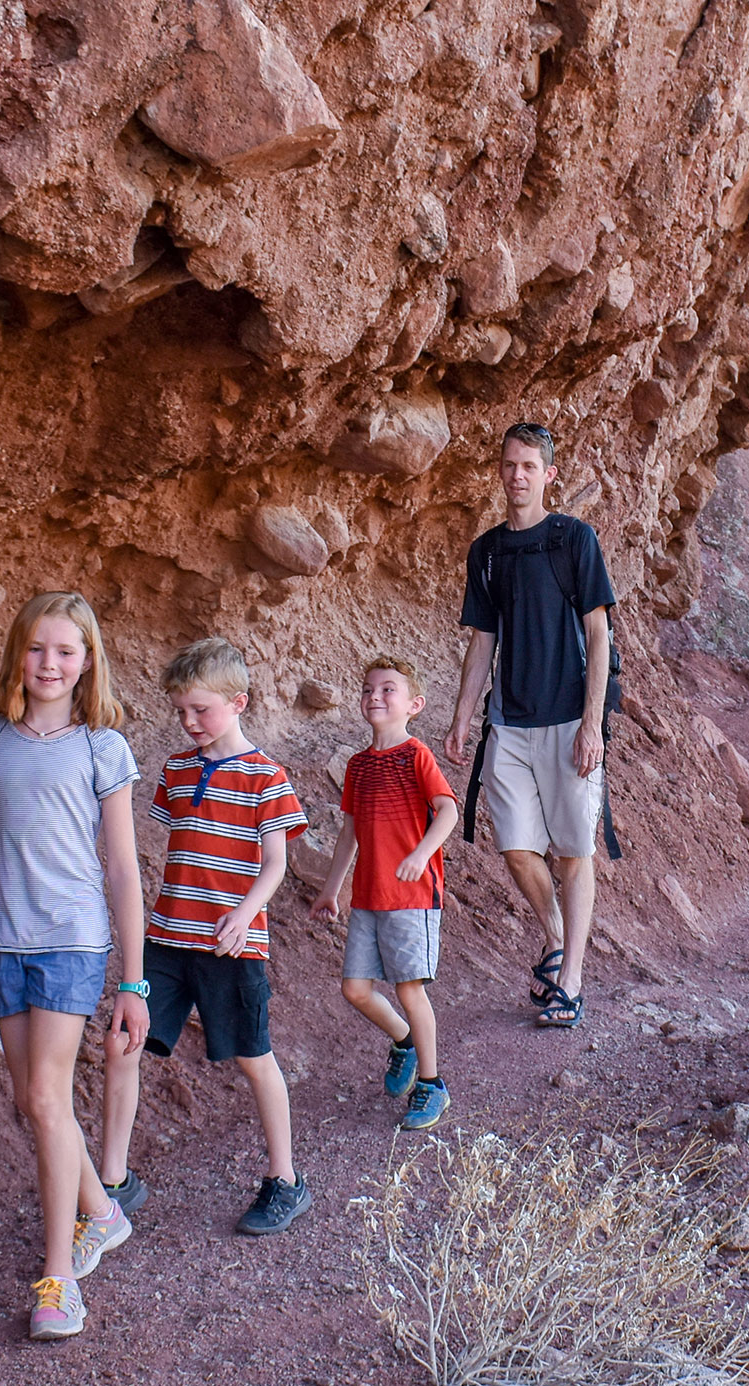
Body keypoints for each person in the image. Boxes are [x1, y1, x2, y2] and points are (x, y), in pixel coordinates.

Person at [0, 591, 150, 1343]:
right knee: (32, 1102)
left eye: (65, 651)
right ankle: (104, 1216)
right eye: (38, 649)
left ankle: (59, 1281)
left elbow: (125, 871)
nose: (50, 664)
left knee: (45, 1098)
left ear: (88, 661)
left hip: (73, 943)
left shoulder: (103, 747)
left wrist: (133, 982)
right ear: (18, 654)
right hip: (2, 944)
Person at [98, 637, 315, 1236]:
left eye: (201, 710)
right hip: (167, 939)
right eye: (181, 712)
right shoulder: (176, 770)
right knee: (122, 1042)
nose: (190, 722)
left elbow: (276, 863)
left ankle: (286, 1180)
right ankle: (114, 1180)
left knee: (253, 1057)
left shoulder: (266, 776)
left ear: (238, 702)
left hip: (231, 944)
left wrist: (245, 915)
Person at [447, 421, 618, 1031]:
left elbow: (598, 636)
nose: (517, 475)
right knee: (517, 849)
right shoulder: (488, 550)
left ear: (548, 475)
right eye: (509, 464)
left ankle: (569, 981)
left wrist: (593, 724)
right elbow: (482, 637)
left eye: (529, 466)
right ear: (500, 470)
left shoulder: (573, 539)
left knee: (573, 851)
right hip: (509, 723)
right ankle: (556, 938)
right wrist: (464, 716)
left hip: (570, 718)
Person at [309, 654, 461, 1130]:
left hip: (412, 896)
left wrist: (420, 854)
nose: (375, 696)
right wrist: (331, 889)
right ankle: (405, 1042)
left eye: (388, 689)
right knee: (354, 988)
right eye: (368, 689)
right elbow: (349, 832)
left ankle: (432, 1085)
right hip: (368, 895)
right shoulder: (357, 765)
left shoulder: (416, 754)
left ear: (413, 704)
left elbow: (448, 811)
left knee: (409, 988)